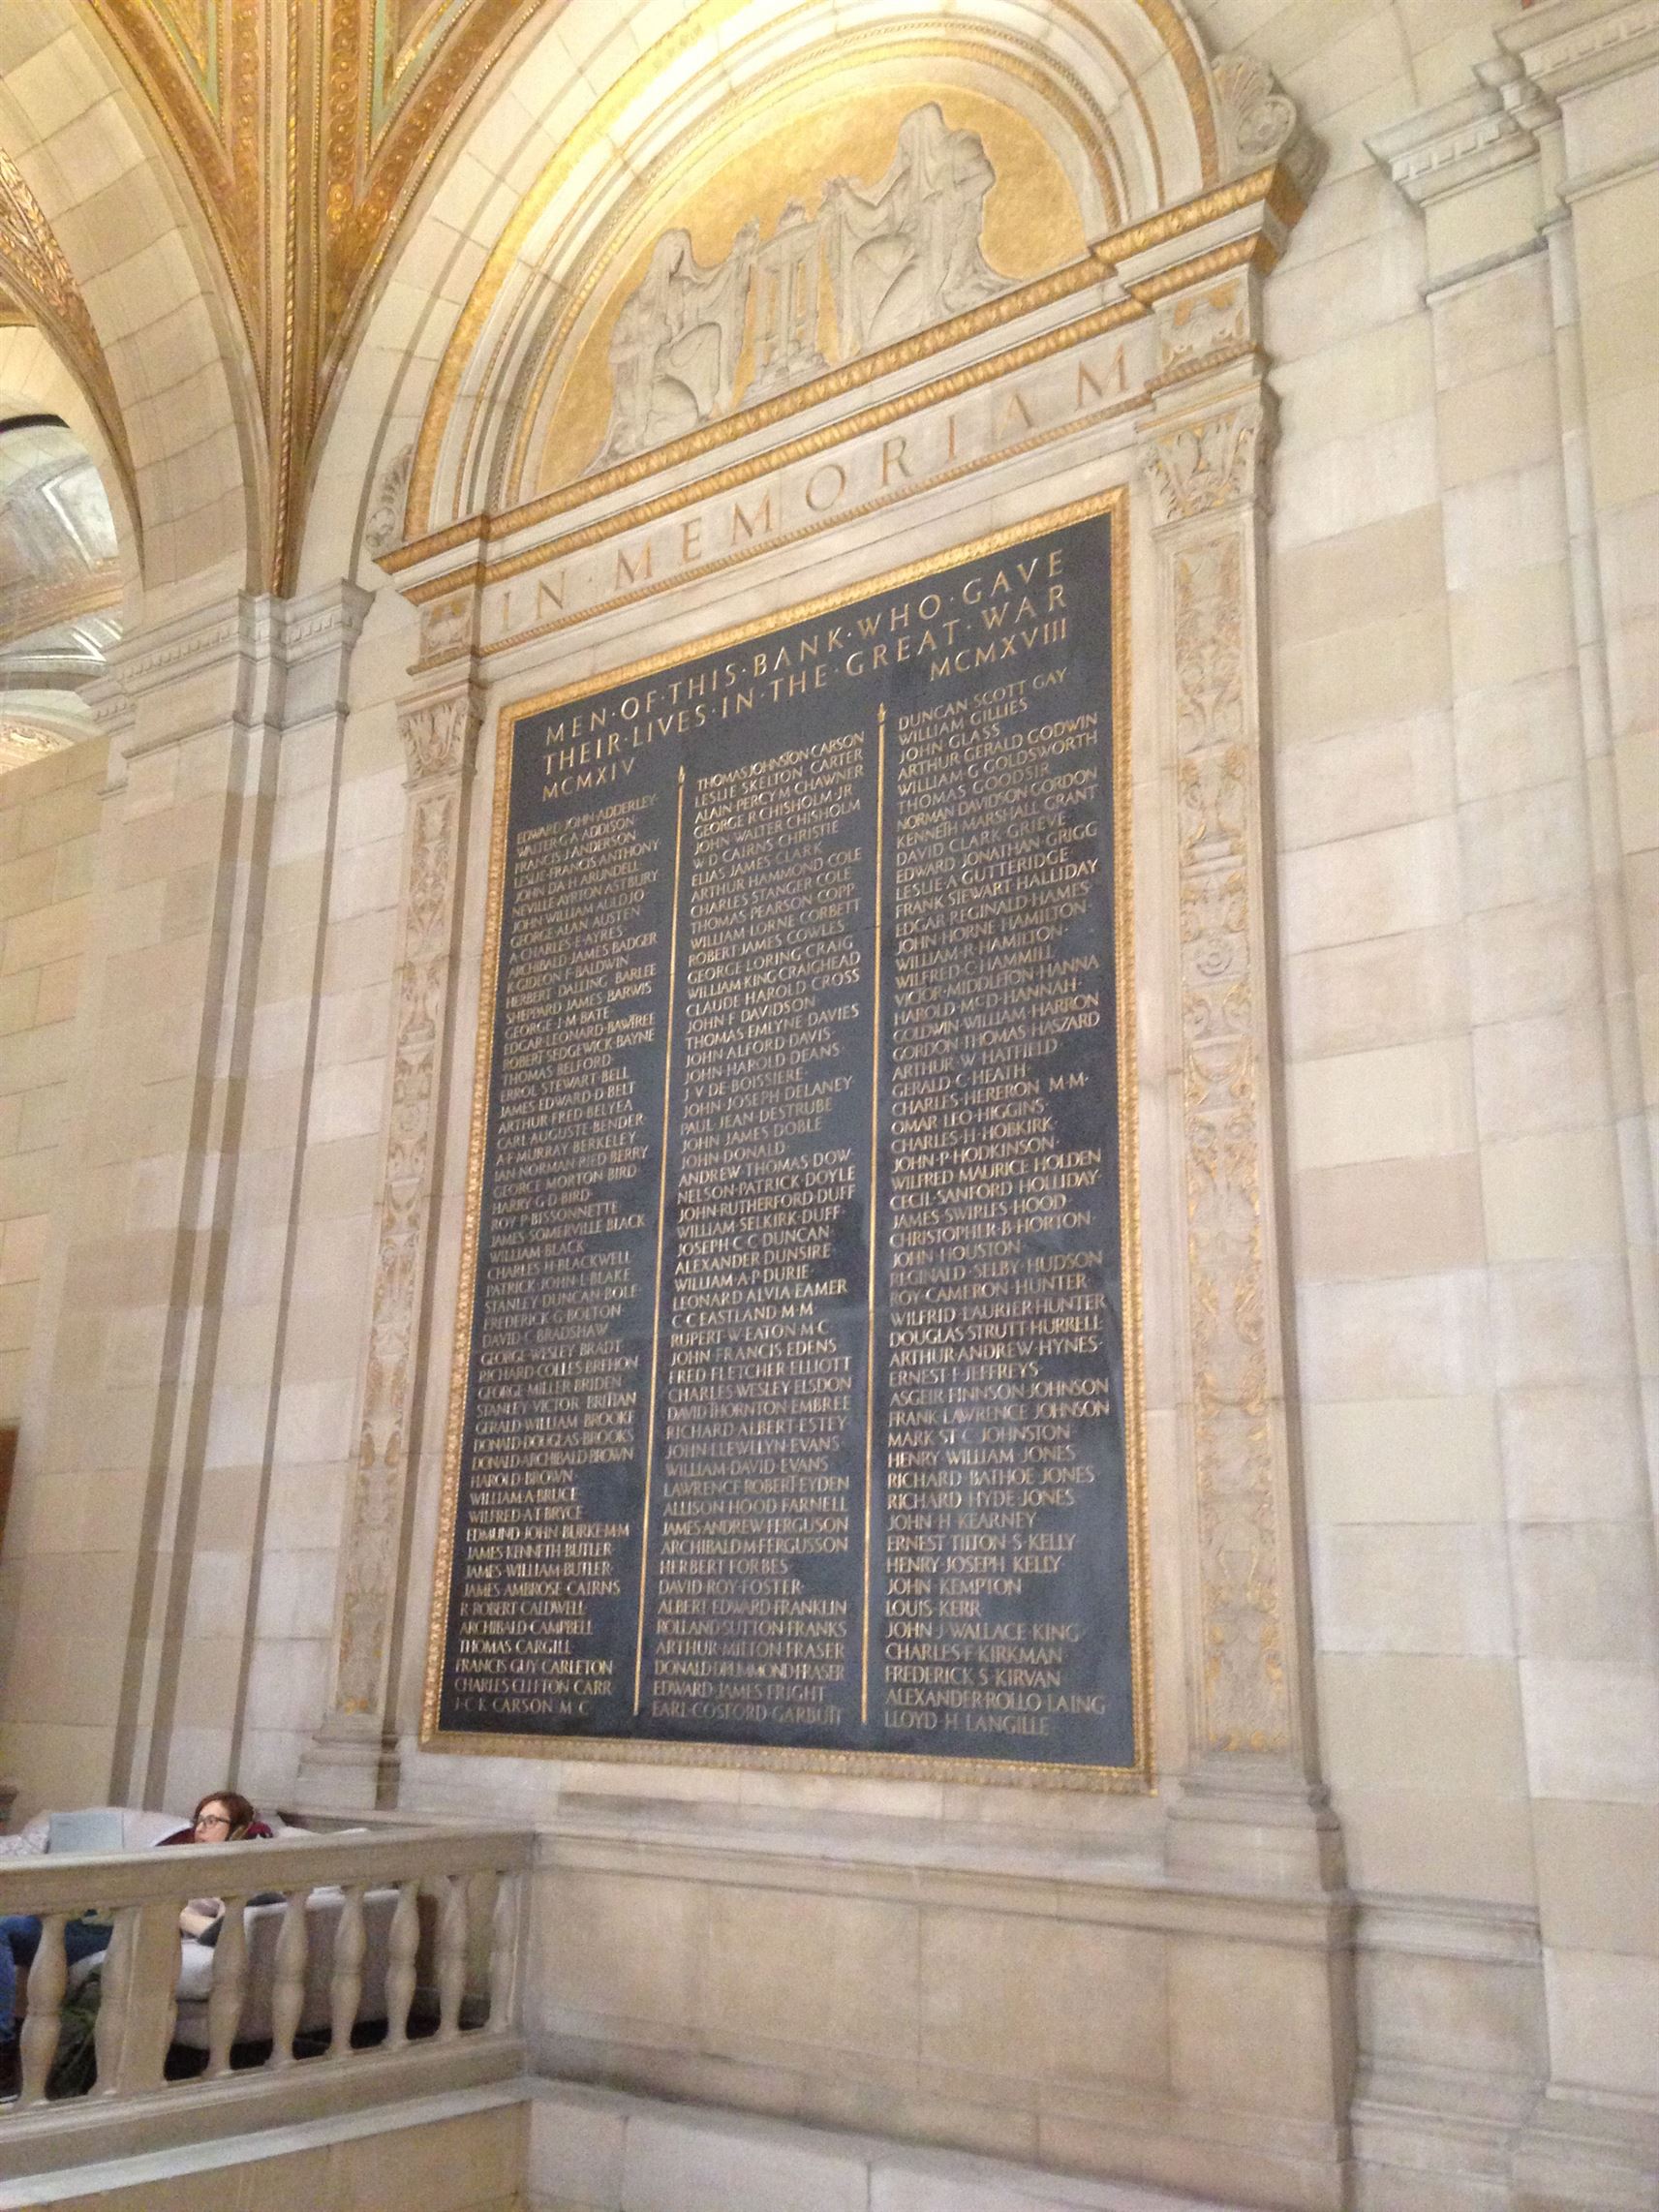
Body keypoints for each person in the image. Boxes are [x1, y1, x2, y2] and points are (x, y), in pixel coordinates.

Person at [0, 1790, 271, 2073]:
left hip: (125, 1927)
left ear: (238, 1831)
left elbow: (218, 1931)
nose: (200, 1829)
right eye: (199, 1820)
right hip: (100, 1912)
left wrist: (173, 1911)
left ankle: (3, 2045)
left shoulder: (237, 1873)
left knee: (5, 1929)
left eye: (212, 1821)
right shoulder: (184, 1858)